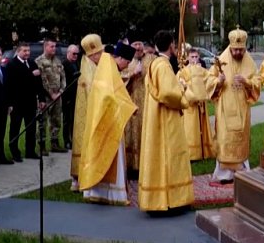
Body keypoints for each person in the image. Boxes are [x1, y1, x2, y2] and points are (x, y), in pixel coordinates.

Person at [139, 30, 197, 213]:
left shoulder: (154, 63)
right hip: (166, 119)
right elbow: (167, 93)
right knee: (171, 156)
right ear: (171, 45)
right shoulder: (163, 66)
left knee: (159, 156)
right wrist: (183, 94)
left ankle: (158, 199)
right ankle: (173, 200)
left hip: (156, 118)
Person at [79, 42, 137, 205]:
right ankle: (111, 194)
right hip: (108, 120)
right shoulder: (109, 68)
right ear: (119, 58)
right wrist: (131, 108)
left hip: (105, 118)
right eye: (126, 63)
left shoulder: (107, 66)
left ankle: (99, 191)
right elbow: (113, 96)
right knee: (111, 153)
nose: (126, 66)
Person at [206, 28, 261, 183]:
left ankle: (242, 170)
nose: (238, 52)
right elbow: (209, 80)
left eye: (240, 49)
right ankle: (224, 174)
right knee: (224, 138)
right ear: (230, 47)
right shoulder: (220, 60)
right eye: (235, 49)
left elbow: (257, 81)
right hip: (225, 107)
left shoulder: (249, 62)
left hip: (242, 107)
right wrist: (219, 82)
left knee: (241, 137)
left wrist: (247, 82)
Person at [71, 35, 103, 189]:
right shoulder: (88, 68)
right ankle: (81, 178)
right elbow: (94, 90)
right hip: (89, 111)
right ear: (93, 54)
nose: (102, 55)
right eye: (100, 53)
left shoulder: (89, 63)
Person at [7, 42, 43, 161]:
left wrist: (41, 98)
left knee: (31, 128)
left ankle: (30, 151)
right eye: (24, 51)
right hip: (17, 102)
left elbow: (38, 83)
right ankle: (15, 152)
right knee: (15, 128)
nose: (27, 53)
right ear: (18, 51)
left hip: (31, 101)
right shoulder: (12, 64)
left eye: (28, 51)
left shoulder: (32, 63)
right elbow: (14, 83)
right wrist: (30, 74)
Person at [178, 48, 215, 161]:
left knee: (202, 127)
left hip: (201, 104)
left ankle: (205, 151)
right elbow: (180, 85)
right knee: (190, 128)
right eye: (192, 57)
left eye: (196, 57)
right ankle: (192, 154)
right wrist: (191, 95)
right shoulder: (183, 71)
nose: (194, 59)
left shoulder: (202, 70)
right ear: (188, 58)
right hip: (190, 104)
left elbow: (209, 80)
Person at [122, 41, 152, 179]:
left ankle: (148, 166)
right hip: (131, 102)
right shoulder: (125, 61)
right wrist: (133, 74)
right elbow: (119, 81)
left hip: (148, 103)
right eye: (135, 44)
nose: (138, 47)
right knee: (131, 134)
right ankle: (131, 167)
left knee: (146, 133)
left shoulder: (152, 59)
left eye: (140, 44)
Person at [34, 40, 66, 153]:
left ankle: (54, 143)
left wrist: (61, 91)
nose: (54, 49)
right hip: (46, 96)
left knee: (56, 119)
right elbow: (41, 80)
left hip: (58, 95)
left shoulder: (57, 60)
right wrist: (51, 94)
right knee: (42, 120)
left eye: (55, 46)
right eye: (52, 46)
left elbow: (63, 77)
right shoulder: (39, 61)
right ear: (45, 47)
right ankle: (41, 145)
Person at [62, 44, 80, 151]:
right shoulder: (64, 64)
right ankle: (66, 141)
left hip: (76, 96)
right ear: (68, 53)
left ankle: (73, 140)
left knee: (74, 119)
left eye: (77, 54)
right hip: (67, 96)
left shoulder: (76, 63)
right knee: (66, 120)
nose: (75, 56)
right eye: (74, 53)